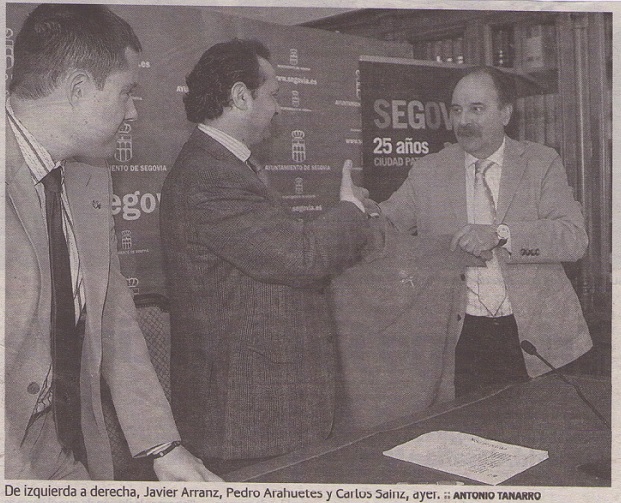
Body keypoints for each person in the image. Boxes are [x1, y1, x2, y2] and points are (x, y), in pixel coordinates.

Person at [5, 4, 221, 481]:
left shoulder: (88, 176)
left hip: (57, 446)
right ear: (79, 89)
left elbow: (113, 317)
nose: (133, 111)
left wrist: (163, 447)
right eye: (126, 93)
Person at [160, 38, 373, 470]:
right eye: (273, 94)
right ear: (241, 96)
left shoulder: (224, 165)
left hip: (260, 408)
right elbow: (301, 256)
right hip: (247, 414)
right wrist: (351, 209)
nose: (278, 108)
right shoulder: (212, 175)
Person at [378, 66, 592, 396]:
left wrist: (501, 234)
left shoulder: (540, 162)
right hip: (461, 339)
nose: (464, 121)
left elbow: (573, 238)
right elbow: (387, 226)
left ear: (505, 113)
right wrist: (358, 209)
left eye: (477, 109)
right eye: (457, 110)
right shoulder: (428, 171)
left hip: (540, 338)